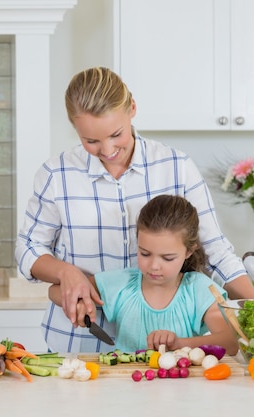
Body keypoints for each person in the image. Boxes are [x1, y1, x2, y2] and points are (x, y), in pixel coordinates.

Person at [15, 66, 254, 353]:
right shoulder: (57, 174)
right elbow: (28, 248)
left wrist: (251, 306)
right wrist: (65, 272)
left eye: (116, 133)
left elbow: (215, 252)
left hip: (167, 350)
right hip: (78, 342)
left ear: (132, 109)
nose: (107, 149)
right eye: (91, 141)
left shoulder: (176, 167)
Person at [49, 195, 238, 355]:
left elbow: (231, 341)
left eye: (168, 258)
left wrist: (180, 344)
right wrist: (79, 302)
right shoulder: (123, 282)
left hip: (182, 390)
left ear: (189, 251)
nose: (154, 266)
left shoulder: (199, 289)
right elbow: (54, 290)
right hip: (125, 387)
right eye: (145, 253)